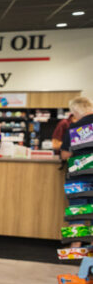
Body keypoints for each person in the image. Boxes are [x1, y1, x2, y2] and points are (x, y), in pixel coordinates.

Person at [61, 97, 93, 248]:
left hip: (78, 176)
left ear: (76, 111)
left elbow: (65, 155)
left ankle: (75, 250)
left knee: (77, 213)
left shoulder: (74, 128)